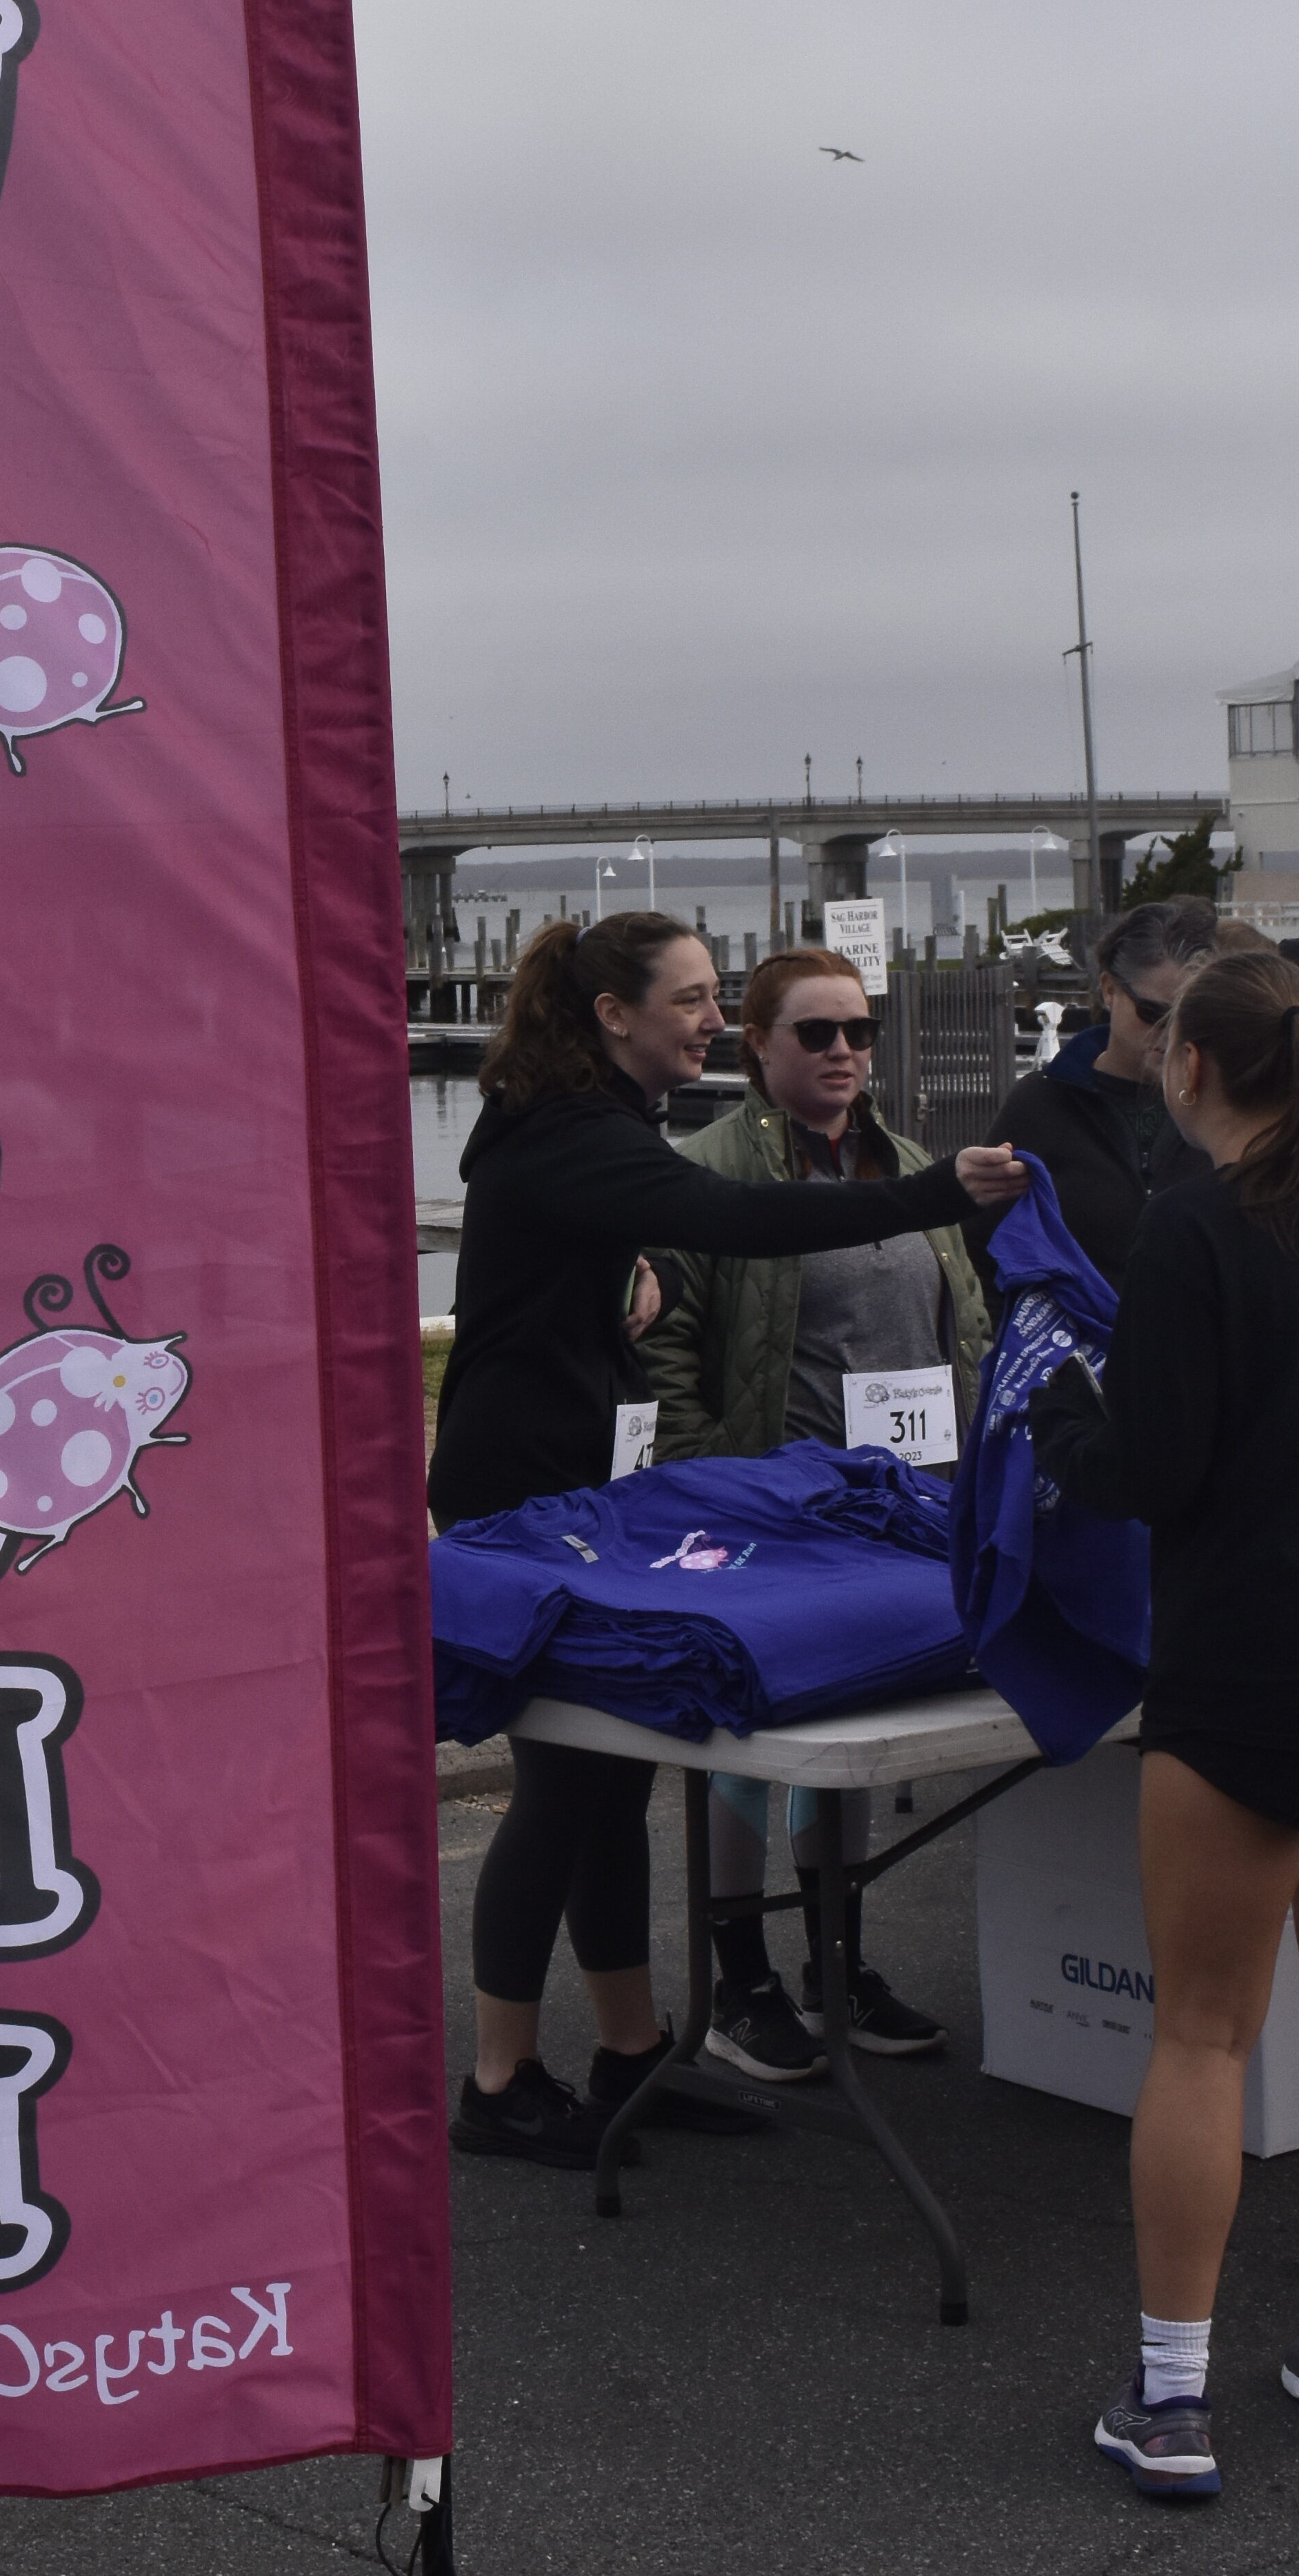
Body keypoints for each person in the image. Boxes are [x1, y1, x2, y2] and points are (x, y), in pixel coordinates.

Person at [432, 911, 1027, 2167]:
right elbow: (736, 1217)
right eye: (695, 1001)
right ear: (614, 1017)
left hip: (574, 1479)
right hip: (512, 1497)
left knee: (612, 1777)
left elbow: (601, 1241)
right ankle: (498, 2080)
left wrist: (622, 1269)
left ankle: (635, 2051)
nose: (712, 1021)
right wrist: (934, 1192)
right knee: (559, 1785)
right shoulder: (573, 1132)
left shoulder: (586, 1125)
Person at [1026, 949, 1299, 2499]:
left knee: (1201, 2034)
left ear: (1186, 1070)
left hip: (1241, 1663)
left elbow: (1154, 1468)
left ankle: (1172, 2398)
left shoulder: (1194, 1231)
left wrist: (1056, 1412)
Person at [637, 947, 991, 2080]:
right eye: (816, 1033)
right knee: (751, 1754)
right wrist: (708, 1493)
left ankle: (836, 1963)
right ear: (759, 1047)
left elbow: (965, 1333)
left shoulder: (915, 1166)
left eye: (859, 1030)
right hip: (776, 1512)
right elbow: (675, 1356)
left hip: (905, 1517)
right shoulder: (709, 1174)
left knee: (853, 1745)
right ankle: (741, 1978)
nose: (844, 1052)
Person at [967, 899, 1218, 1287]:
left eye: (1190, 1016)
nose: (1170, 1034)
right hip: (1072, 1343)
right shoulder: (1042, 1103)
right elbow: (982, 1248)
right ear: (1108, 990)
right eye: (1152, 1013)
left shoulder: (1226, 1107)